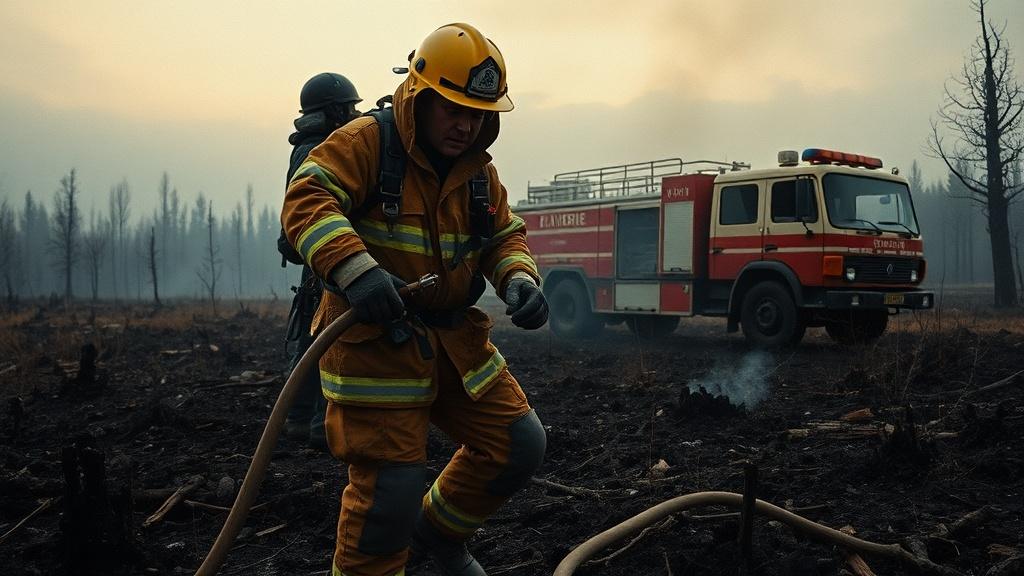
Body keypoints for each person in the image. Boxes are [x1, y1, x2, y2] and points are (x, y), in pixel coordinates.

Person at [281, 23, 549, 576]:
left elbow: (503, 235)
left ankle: (437, 535)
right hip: (376, 351)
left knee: (518, 444)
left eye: (477, 113)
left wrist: (520, 279)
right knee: (389, 496)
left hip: (455, 344)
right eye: (454, 108)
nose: (466, 124)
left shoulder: (479, 171)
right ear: (421, 95)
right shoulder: (366, 144)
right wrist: (357, 270)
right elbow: (306, 197)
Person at [278, 72, 362, 450]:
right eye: (349, 109)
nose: (354, 115)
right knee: (327, 345)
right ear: (333, 112)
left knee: (309, 344)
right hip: (324, 265)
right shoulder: (322, 150)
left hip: (315, 262)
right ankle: (317, 426)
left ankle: (298, 420)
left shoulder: (306, 147)